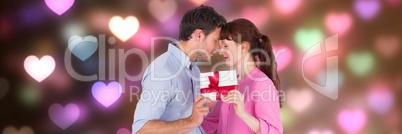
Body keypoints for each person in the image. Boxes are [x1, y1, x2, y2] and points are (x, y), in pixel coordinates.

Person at [132, 5, 226, 134]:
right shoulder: (163, 71)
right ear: (199, 35)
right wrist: (191, 121)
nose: (218, 48)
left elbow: (188, 118)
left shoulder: (194, 69)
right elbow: (141, 129)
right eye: (216, 40)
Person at [201, 18, 283, 134]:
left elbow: (275, 132)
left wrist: (242, 113)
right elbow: (210, 122)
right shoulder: (229, 81)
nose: (220, 52)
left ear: (244, 47)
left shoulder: (261, 83)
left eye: (225, 46)